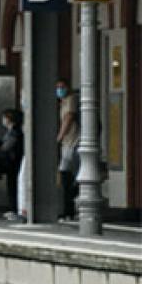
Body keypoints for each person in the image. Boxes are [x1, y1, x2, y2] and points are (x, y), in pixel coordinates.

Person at [56, 79, 80, 220]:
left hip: (73, 142)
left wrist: (59, 137)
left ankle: (69, 209)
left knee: (67, 174)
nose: (59, 90)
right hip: (68, 142)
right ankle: (68, 209)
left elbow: (68, 118)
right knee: (68, 174)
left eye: (62, 87)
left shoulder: (71, 100)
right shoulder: (63, 102)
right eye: (58, 87)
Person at [0, 109, 24, 221]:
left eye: (4, 118)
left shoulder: (14, 132)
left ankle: (15, 208)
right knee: (12, 185)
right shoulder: (13, 132)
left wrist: (0, 149)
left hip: (13, 161)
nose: (3, 120)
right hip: (13, 161)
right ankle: (13, 208)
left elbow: (7, 147)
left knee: (13, 185)